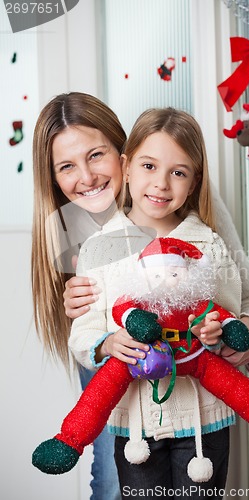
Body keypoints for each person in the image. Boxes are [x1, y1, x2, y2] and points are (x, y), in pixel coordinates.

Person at [53, 108, 249, 499]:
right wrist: (105, 343)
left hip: (204, 421)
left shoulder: (209, 243)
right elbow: (84, 333)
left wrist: (233, 334)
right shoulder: (98, 246)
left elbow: (238, 308)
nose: (160, 183)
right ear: (128, 167)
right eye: (149, 166)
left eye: (178, 172)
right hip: (136, 423)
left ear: (193, 183)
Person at [31, 92, 127, 500]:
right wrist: (82, 319)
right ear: (53, 178)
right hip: (112, 367)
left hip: (181, 370)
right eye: (67, 166)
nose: (86, 178)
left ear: (123, 151)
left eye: (96, 155)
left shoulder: (169, 196)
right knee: (111, 478)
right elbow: (86, 342)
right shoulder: (64, 228)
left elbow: (244, 296)